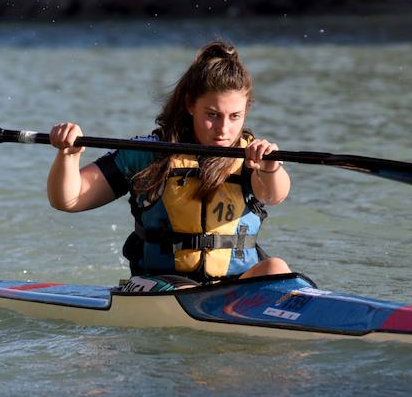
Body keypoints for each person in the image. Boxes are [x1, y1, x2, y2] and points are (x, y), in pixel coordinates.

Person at [47, 40, 291, 286]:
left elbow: (273, 196)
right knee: (185, 290)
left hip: (232, 286)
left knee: (276, 268)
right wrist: (68, 154)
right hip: (160, 285)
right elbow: (69, 199)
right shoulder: (148, 153)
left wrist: (271, 167)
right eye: (212, 115)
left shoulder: (251, 158)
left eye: (234, 116)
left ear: (246, 111)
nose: (223, 129)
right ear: (190, 105)